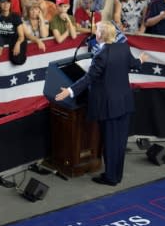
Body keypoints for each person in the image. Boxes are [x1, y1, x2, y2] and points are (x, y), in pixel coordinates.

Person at [55, 21, 148, 186]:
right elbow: (133, 65)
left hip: (110, 107)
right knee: (120, 142)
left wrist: (69, 91)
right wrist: (141, 60)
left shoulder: (102, 55)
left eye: (97, 30)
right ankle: (117, 175)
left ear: (101, 35)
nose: (95, 32)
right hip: (125, 104)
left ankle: (111, 178)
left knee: (111, 143)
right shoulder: (123, 48)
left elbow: (88, 78)